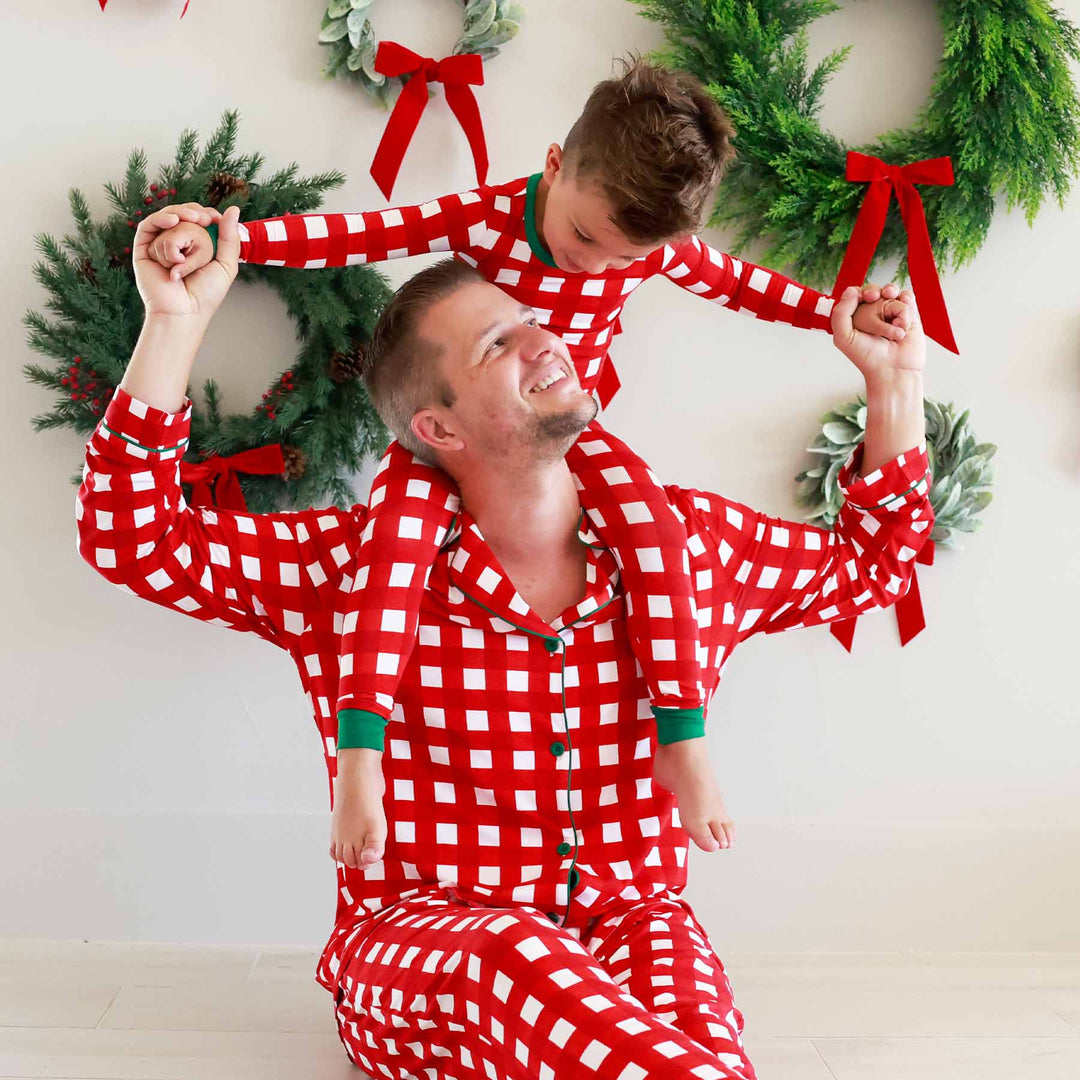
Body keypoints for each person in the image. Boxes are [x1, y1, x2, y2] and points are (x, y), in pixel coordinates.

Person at [77, 202, 932, 1079]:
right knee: (511, 956)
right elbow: (129, 537)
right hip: (425, 948)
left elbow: (872, 568)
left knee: (700, 1037)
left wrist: (892, 385)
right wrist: (174, 326)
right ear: (437, 429)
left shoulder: (686, 550)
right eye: (497, 345)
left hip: (632, 927)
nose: (543, 339)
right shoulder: (350, 572)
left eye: (530, 321)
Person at [141, 59, 908, 856]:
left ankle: (684, 737)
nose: (596, 267)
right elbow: (364, 232)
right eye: (583, 237)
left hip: (576, 432)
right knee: (390, 557)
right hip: (462, 434)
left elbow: (746, 287)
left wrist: (837, 315)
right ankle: (360, 757)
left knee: (657, 539)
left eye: (622, 258)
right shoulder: (489, 217)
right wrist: (237, 242)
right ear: (552, 166)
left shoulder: (652, 252)